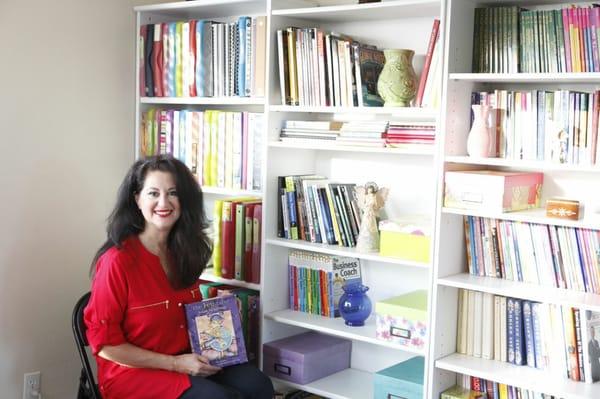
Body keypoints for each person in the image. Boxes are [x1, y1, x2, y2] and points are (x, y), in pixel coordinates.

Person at [84, 155, 274, 399]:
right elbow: (106, 346)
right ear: (137, 199)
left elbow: (181, 315)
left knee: (257, 384)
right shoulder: (116, 262)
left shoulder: (184, 250)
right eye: (153, 193)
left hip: (187, 358)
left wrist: (216, 312)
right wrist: (174, 364)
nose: (164, 202)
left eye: (172, 193)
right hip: (133, 374)